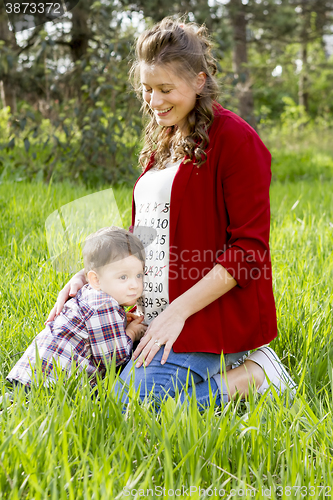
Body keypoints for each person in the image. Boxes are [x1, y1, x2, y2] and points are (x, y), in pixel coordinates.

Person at [47, 18, 296, 408]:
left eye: (165, 89)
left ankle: (257, 375)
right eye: (147, 89)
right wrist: (93, 277)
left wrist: (176, 313)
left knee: (132, 408)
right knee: (74, 384)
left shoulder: (235, 141)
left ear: (199, 81)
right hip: (151, 318)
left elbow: (249, 253)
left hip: (206, 321)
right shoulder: (164, 139)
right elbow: (146, 236)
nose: (154, 101)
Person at [7, 227, 147, 389]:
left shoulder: (92, 295)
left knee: (19, 402)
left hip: (34, 372)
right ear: (95, 279)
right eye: (123, 277)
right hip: (51, 381)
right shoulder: (103, 303)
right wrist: (131, 332)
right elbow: (112, 358)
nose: (135, 285)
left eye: (139, 275)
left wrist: (120, 325)